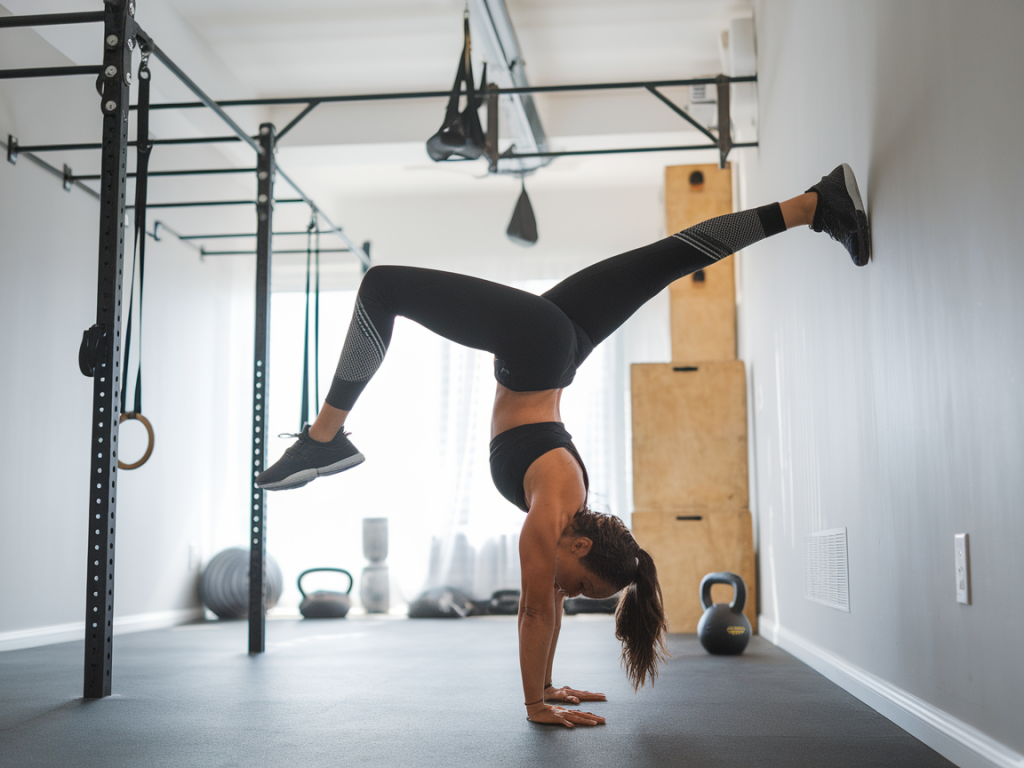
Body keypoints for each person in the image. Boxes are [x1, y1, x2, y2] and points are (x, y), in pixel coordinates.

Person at [257, 164, 870, 727]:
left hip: (557, 348)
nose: (570, 593)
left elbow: (545, 602)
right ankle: (324, 439)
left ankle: (816, 203)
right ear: (579, 544)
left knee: (671, 258)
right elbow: (535, 612)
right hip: (536, 348)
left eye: (581, 592)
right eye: (582, 584)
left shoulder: (561, 513)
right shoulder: (549, 510)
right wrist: (534, 706)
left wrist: (548, 688)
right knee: (383, 286)